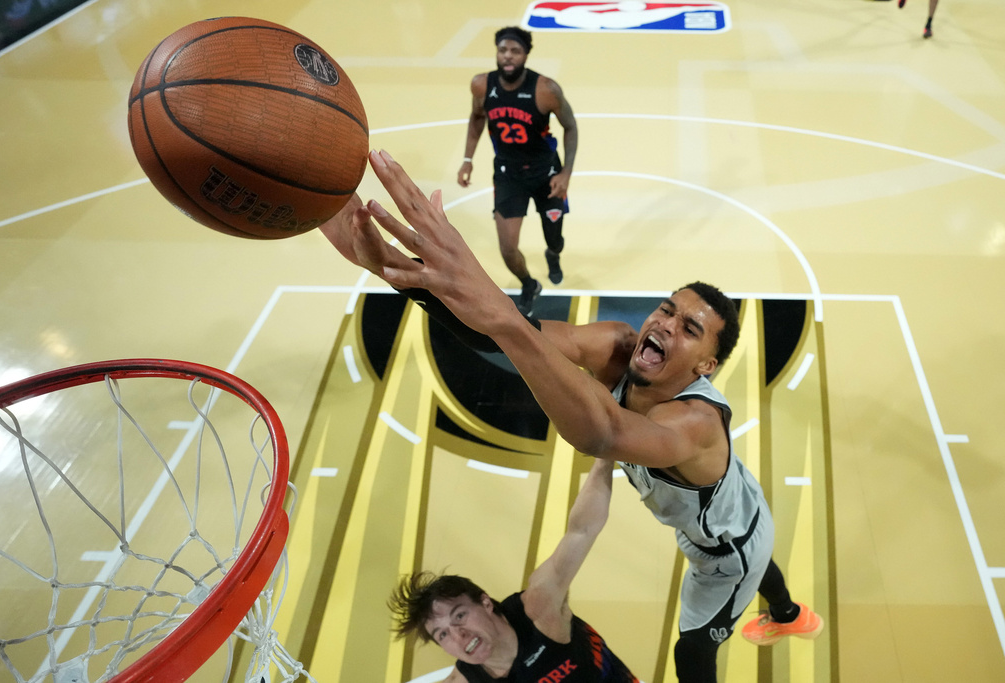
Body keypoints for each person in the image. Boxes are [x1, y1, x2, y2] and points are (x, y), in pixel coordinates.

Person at [319, 150, 824, 683]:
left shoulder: (695, 424)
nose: (667, 323)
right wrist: (400, 273)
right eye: (668, 309)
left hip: (721, 552)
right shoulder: (617, 346)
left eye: (690, 329)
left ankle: (784, 614)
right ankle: (789, 613)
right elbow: (505, 336)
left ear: (706, 366)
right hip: (740, 508)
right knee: (754, 541)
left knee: (693, 652)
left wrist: (496, 314)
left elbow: (601, 433)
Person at [387, 458, 638, 682]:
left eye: (459, 616)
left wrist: (605, 455)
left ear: (485, 602)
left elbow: (582, 530)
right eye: (442, 634)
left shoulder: (540, 610)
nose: (459, 635)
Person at [457, 26, 578, 316]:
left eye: (515, 51)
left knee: (556, 240)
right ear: (497, 52)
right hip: (508, 175)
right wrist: (467, 158)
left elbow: (570, 127)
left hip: (547, 174)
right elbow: (476, 118)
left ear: (525, 55)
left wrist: (566, 174)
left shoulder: (546, 89)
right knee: (508, 248)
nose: (508, 56)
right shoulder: (481, 85)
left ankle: (552, 255)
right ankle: (528, 284)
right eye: (503, 50)